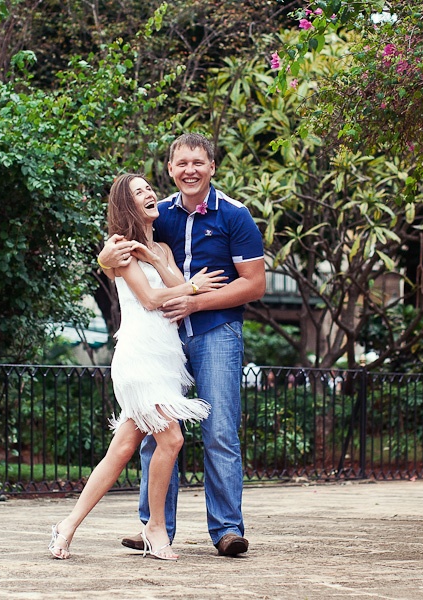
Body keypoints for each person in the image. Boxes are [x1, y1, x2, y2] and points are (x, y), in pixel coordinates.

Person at [98, 133, 266, 556]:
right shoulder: (162, 214)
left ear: (212, 167)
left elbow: (254, 285)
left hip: (216, 333)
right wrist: (104, 259)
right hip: (166, 338)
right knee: (156, 430)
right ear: (171, 169)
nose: (190, 170)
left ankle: (227, 530)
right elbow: (123, 245)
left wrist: (195, 302)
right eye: (182, 163)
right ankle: (154, 527)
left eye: (198, 162)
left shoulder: (235, 215)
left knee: (220, 430)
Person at [48, 173, 226, 560]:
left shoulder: (160, 247)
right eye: (138, 192)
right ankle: (155, 527)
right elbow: (150, 299)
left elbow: (173, 283)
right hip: (139, 355)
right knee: (172, 440)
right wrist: (194, 287)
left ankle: (67, 525)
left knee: (123, 448)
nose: (149, 194)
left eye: (148, 188)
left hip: (165, 357)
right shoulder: (120, 248)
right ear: (126, 205)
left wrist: (161, 263)